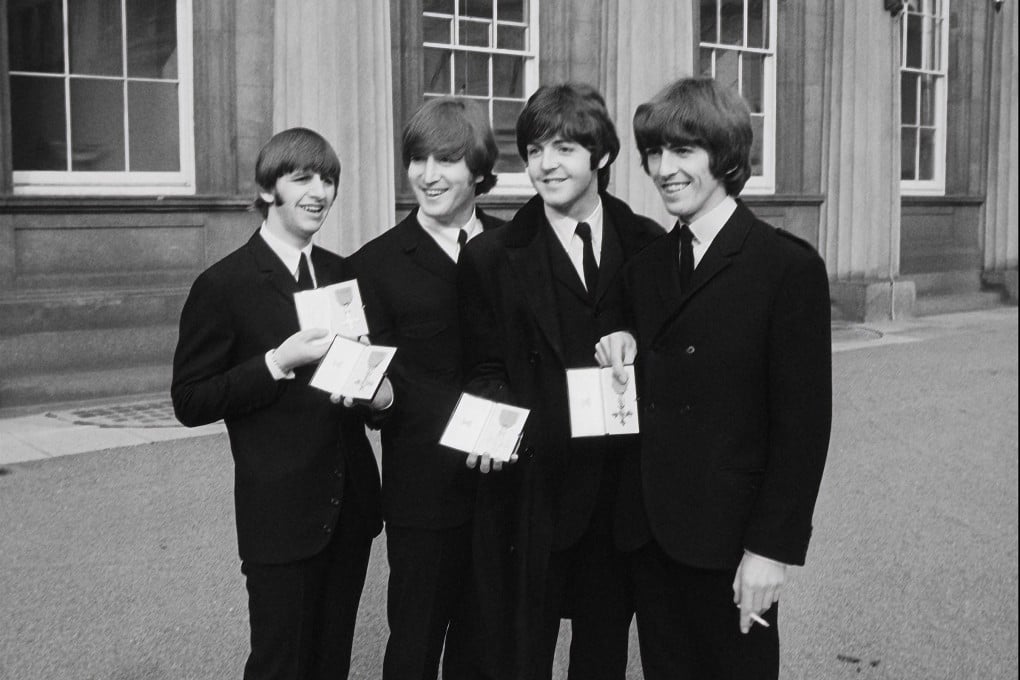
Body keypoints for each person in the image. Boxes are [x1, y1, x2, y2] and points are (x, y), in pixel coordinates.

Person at [595, 77, 832, 679]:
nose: (663, 169)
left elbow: (803, 427)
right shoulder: (646, 268)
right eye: (653, 153)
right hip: (652, 536)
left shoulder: (787, 267)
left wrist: (772, 549)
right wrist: (619, 340)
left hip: (733, 543)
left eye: (682, 151)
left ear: (725, 155)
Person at [458, 83, 663, 680]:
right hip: (533, 496)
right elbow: (484, 368)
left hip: (620, 495)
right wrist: (494, 431)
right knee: (519, 658)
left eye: (566, 148)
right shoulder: (491, 257)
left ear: (600, 155)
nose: (546, 164)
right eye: (535, 149)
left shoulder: (649, 245)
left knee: (602, 658)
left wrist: (637, 354)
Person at [171, 127, 389, 680]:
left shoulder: (344, 274)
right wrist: (276, 361)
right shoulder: (223, 285)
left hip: (350, 506)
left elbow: (365, 389)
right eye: (302, 178)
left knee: (331, 658)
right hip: (280, 512)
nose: (319, 191)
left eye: (329, 178)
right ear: (269, 190)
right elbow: (191, 399)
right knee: (279, 664)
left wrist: (379, 395)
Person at [350, 97, 504, 680]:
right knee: (414, 645)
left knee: (489, 647)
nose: (428, 174)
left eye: (446, 159)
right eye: (418, 159)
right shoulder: (374, 265)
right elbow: (383, 387)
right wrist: (377, 399)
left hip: (505, 489)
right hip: (424, 494)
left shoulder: (516, 249)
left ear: (479, 170)